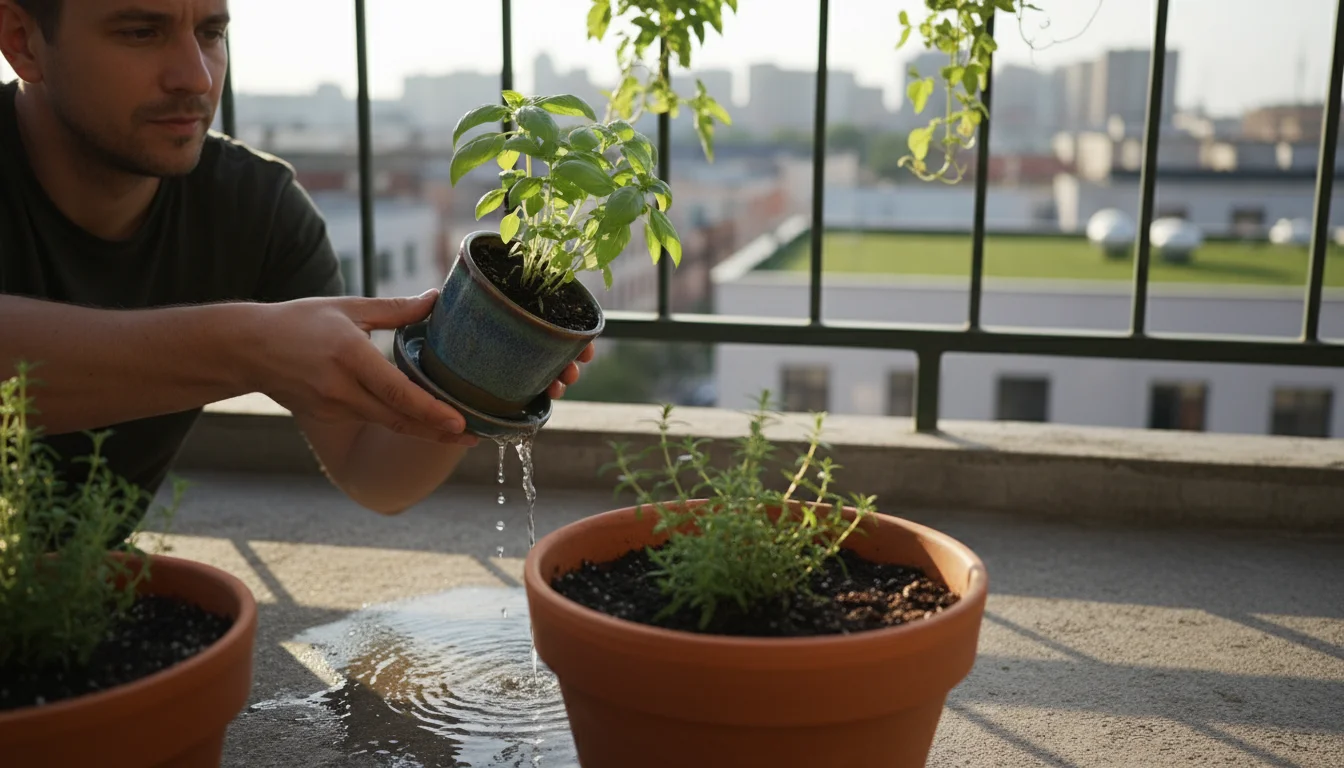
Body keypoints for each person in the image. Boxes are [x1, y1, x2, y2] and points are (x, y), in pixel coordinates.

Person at [0, 0, 592, 524]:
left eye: (210, 32)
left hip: (71, 601)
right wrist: (245, 350)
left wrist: (476, 381)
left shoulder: (256, 207)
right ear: (23, 40)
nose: (196, 76)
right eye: (139, 32)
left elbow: (372, 472)